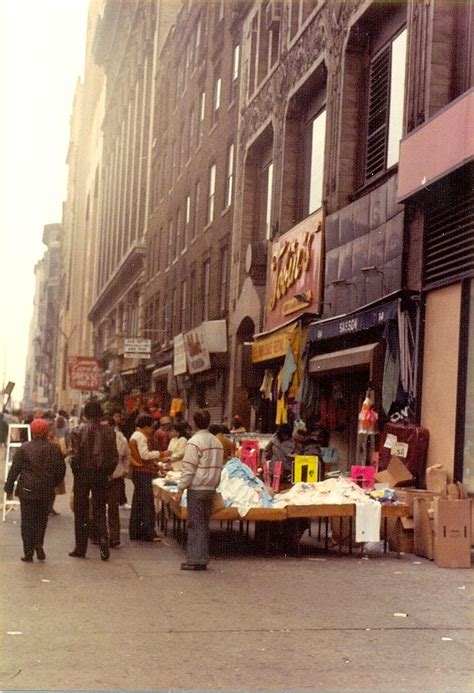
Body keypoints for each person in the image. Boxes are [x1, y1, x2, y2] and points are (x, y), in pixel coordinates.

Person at [4, 418, 65, 562]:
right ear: (46, 432)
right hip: (46, 489)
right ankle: (38, 543)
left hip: (27, 489)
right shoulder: (53, 448)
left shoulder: (24, 448)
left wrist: (9, 488)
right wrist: (54, 483)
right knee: (41, 519)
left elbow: (15, 470)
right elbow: (61, 469)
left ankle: (28, 552)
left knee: (27, 521)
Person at [68, 400, 119, 561]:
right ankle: (103, 541)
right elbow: (114, 457)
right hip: (101, 474)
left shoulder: (77, 430)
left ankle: (80, 547)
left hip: (82, 474)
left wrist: (77, 473)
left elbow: (74, 457)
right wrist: (107, 473)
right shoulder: (110, 431)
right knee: (99, 509)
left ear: (85, 413)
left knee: (81, 511)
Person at [175, 409, 224, 571]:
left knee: (195, 524)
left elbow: (188, 469)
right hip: (211, 487)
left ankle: (195, 559)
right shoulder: (217, 442)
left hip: (197, 488)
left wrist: (180, 488)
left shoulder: (194, 442)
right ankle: (202, 558)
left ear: (195, 423)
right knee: (203, 524)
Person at [129, 414, 171, 542]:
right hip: (142, 472)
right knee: (147, 503)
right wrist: (161, 454)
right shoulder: (141, 437)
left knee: (138, 503)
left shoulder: (135, 436)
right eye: (151, 426)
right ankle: (148, 532)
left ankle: (136, 531)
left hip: (138, 472)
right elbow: (145, 455)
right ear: (146, 426)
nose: (152, 429)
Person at [102, 415, 130, 548]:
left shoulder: (121, 439)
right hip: (100, 477)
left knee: (113, 507)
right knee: (99, 507)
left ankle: (114, 537)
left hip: (115, 476)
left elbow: (126, 457)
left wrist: (124, 470)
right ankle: (100, 535)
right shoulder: (97, 437)